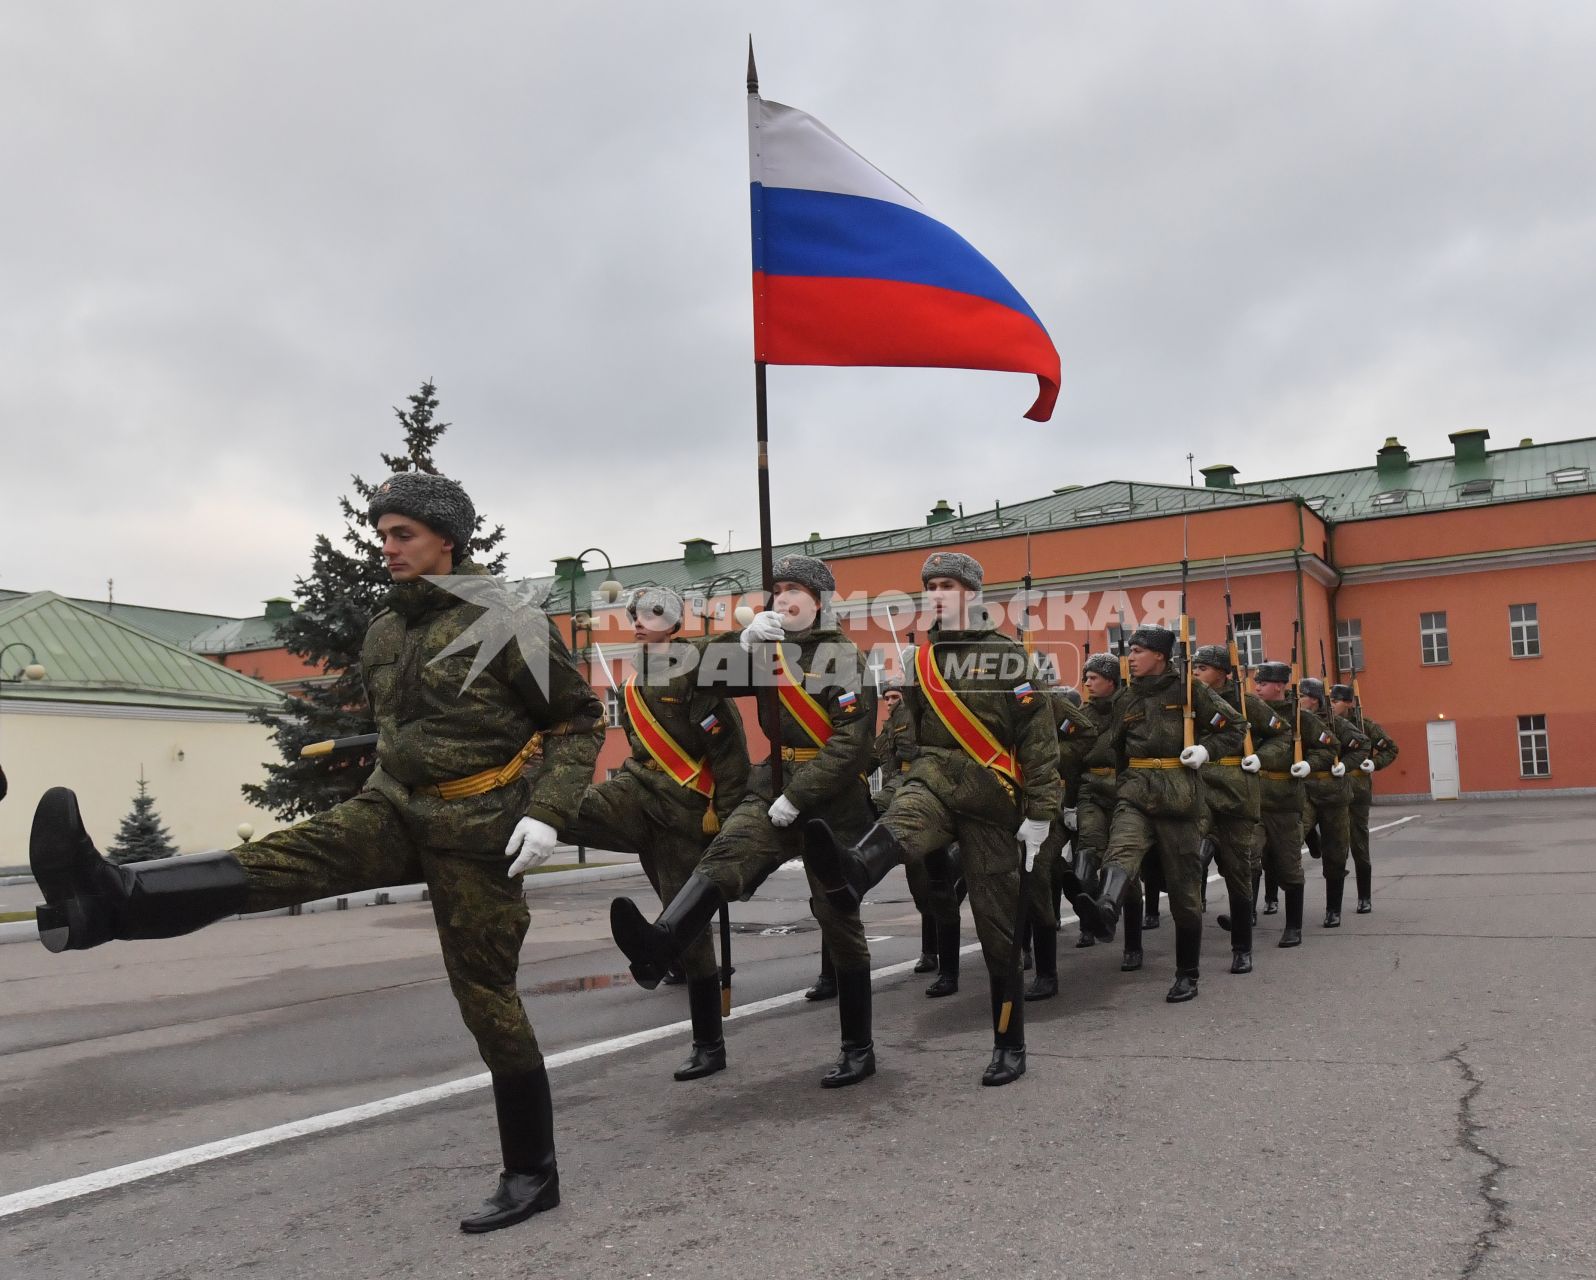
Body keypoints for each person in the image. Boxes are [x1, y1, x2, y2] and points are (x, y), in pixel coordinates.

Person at [27, 472, 602, 1233]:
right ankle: (111, 899)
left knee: (486, 997)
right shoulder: (386, 629)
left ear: (447, 539)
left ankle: (532, 1174)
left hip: (478, 829)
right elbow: (405, 730)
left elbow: (579, 720)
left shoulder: (508, 623)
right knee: (283, 859)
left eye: (404, 534)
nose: (387, 548)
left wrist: (549, 813)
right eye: (383, 534)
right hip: (394, 807)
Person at [608, 555, 881, 1088]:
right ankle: (661, 945)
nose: (783, 598)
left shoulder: (842, 656)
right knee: (722, 859)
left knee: (837, 917)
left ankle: (858, 1048)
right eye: (776, 589)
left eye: (795, 589)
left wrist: (800, 796)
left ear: (820, 599)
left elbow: (853, 742)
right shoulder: (765, 649)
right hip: (771, 783)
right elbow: (686, 666)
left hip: (829, 796)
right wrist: (743, 638)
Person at [803, 551, 1060, 1086]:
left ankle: (1008, 1042)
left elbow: (1039, 743)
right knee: (904, 820)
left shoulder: (1009, 658)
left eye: (947, 584)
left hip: (993, 798)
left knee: (996, 930)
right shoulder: (919, 662)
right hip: (935, 783)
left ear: (972, 593)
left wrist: (1040, 814)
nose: (937, 592)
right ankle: (851, 872)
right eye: (930, 585)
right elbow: (913, 734)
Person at [559, 586, 749, 1081]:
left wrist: (726, 820)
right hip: (641, 789)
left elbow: (728, 752)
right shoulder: (638, 675)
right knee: (561, 810)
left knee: (686, 917)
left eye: (653, 615)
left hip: (688, 810)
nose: (640, 622)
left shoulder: (694, 671)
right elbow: (644, 748)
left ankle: (709, 1043)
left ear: (675, 623)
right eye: (635, 615)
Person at [1075, 626, 1243, 1003]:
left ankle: (1187, 973)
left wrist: (1204, 750)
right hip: (1135, 790)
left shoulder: (1188, 691)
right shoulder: (1126, 698)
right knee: (1121, 849)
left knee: (1184, 891)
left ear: (1161, 657)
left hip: (1179, 796)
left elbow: (1235, 728)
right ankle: (1105, 909)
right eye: (1130, 650)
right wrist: (1123, 785)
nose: (1130, 657)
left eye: (1138, 651)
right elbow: (1117, 748)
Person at [1189, 645, 1289, 973]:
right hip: (1197, 789)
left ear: (1223, 672)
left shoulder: (1247, 703)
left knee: (1237, 872)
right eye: (1195, 667)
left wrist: (1262, 758)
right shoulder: (1187, 700)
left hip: (1234, 791)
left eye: (1203, 668)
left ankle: (1242, 947)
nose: (1196, 673)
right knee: (1188, 858)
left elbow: (1282, 735)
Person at [1023, 682, 1097, 1001]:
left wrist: (1050, 755)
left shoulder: (1045, 704)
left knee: (1039, 871)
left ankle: (1046, 971)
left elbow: (1084, 738)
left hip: (1053, 803)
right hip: (1011, 801)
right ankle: (1022, 951)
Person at [1329, 684, 1399, 913]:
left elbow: (1391, 749)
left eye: (1335, 701)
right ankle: (1334, 902)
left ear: (1349, 703)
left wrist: (1374, 763)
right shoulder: (1326, 725)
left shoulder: (1365, 726)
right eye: (1329, 700)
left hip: (1357, 789)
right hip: (1333, 789)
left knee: (1359, 843)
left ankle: (1364, 896)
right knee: (1335, 845)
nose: (1331, 705)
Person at [1298, 677, 1352, 927]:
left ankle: (1333, 909)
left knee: (1336, 852)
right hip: (1305, 791)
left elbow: (1361, 746)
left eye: (1302, 696)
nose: (1298, 700)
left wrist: (1345, 765)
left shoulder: (1336, 724)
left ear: (1315, 699)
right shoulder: (1296, 722)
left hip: (1333, 794)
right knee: (1290, 840)